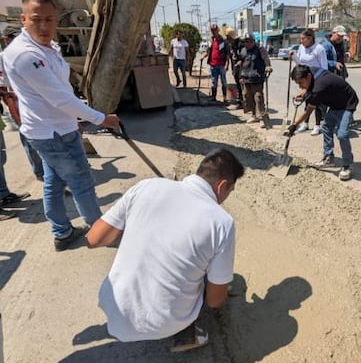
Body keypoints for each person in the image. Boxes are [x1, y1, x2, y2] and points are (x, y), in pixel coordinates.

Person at [88, 149, 244, 351]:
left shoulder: (146, 186)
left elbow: (94, 239)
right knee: (211, 277)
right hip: (162, 324)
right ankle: (186, 335)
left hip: (113, 305)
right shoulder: (221, 222)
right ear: (222, 186)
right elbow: (214, 301)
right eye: (230, 192)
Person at [1, 0, 121, 250]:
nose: (44, 26)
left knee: (54, 181)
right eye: (36, 20)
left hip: (53, 128)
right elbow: (60, 99)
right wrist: (101, 119)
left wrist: (74, 118)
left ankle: (62, 232)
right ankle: (101, 233)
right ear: (23, 19)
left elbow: (62, 92)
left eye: (49, 19)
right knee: (82, 182)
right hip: (52, 132)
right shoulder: (25, 55)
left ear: (56, 20)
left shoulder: (47, 47)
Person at [287, 64, 358, 181]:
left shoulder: (319, 88)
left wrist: (294, 125)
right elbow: (310, 88)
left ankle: (347, 165)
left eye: (300, 83)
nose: (300, 86)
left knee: (342, 134)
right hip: (335, 103)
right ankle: (328, 157)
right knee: (326, 127)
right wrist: (305, 91)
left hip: (347, 103)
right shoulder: (312, 70)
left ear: (308, 76)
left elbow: (308, 111)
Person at [0, 26, 44, 181]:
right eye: (14, 37)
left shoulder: (27, 53)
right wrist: (14, 112)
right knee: (28, 138)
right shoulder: (4, 58)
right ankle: (39, 171)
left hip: (36, 103)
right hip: (19, 105)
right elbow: (4, 89)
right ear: (6, 39)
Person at [291, 28, 328, 135]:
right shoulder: (301, 47)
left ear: (310, 38)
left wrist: (321, 81)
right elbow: (300, 62)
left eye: (303, 38)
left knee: (317, 103)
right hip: (306, 79)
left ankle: (317, 125)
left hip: (317, 78)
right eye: (300, 38)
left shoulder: (319, 48)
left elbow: (324, 66)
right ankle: (305, 123)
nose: (301, 41)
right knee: (307, 101)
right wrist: (294, 56)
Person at [236, 35, 272, 128]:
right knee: (247, 97)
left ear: (253, 41)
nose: (246, 44)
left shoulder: (260, 49)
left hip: (257, 77)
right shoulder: (243, 50)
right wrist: (240, 75)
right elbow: (241, 62)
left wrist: (268, 66)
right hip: (246, 77)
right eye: (245, 42)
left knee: (258, 97)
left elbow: (266, 59)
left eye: (248, 41)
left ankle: (262, 118)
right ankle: (254, 115)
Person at [199, 24, 230, 103]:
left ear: (218, 30)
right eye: (212, 30)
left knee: (223, 82)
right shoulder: (212, 41)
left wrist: (226, 64)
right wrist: (203, 57)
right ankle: (213, 97)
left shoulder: (223, 41)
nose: (213, 32)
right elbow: (209, 51)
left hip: (221, 65)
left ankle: (225, 98)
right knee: (214, 82)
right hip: (213, 65)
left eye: (215, 30)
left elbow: (227, 54)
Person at [226, 28, 245, 107]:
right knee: (238, 85)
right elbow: (230, 56)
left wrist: (240, 62)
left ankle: (246, 102)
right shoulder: (231, 45)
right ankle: (240, 101)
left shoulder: (240, 44)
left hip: (242, 68)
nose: (227, 39)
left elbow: (244, 56)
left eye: (228, 37)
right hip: (235, 68)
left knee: (243, 85)